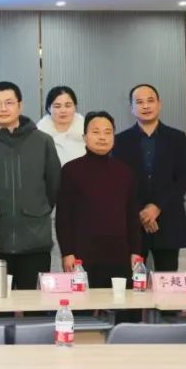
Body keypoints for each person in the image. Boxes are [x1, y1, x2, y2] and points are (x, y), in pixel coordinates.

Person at [0, 81, 61, 289]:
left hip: (35, 242)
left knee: (34, 304)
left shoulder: (43, 141)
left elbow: (53, 186)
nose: (3, 109)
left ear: (20, 105)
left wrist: (36, 209)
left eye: (9, 102)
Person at [56, 111, 140, 288]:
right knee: (83, 303)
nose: (102, 137)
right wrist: (67, 252)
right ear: (84, 137)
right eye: (96, 132)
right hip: (82, 255)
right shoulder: (71, 170)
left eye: (108, 132)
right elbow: (63, 217)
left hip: (119, 254)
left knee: (121, 302)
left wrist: (136, 251)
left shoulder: (125, 172)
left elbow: (132, 215)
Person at [112, 84, 186, 272]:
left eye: (150, 101)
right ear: (132, 108)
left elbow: (183, 179)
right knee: (132, 280)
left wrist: (156, 207)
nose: (146, 106)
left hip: (168, 217)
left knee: (167, 278)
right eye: (139, 102)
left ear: (159, 104)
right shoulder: (120, 141)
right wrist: (142, 211)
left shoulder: (177, 138)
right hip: (133, 220)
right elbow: (118, 184)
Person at [36, 85, 87, 270]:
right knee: (55, 256)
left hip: (83, 204)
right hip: (51, 205)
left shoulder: (87, 134)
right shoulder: (39, 137)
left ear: (75, 107)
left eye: (68, 105)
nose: (63, 110)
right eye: (57, 106)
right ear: (48, 108)